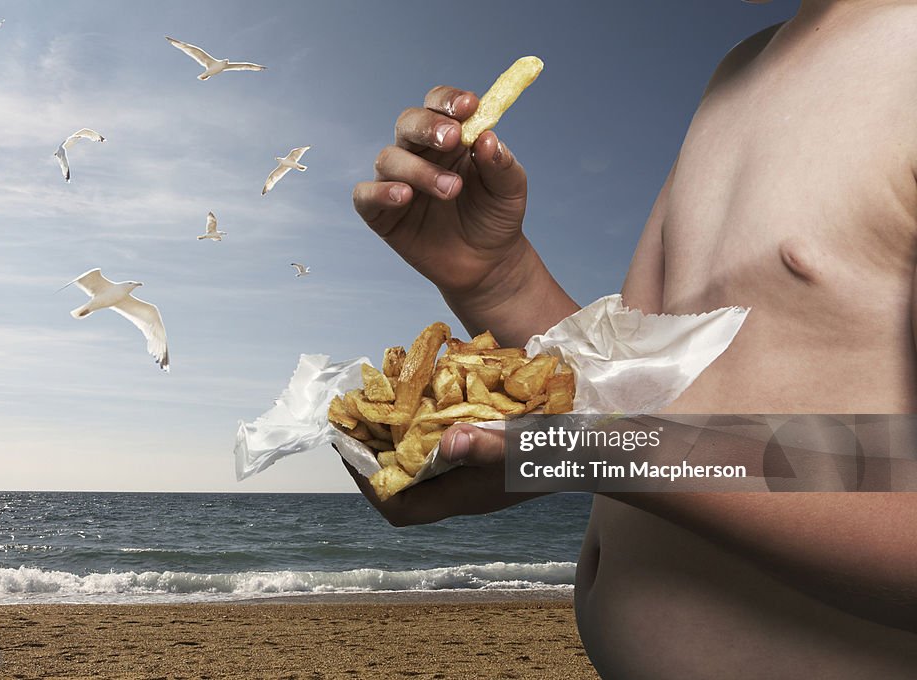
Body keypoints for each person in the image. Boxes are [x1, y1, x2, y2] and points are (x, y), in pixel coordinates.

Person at [347, 1, 917, 677]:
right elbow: (635, 381)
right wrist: (495, 277)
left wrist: (594, 455)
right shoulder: (742, 66)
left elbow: (626, 439)